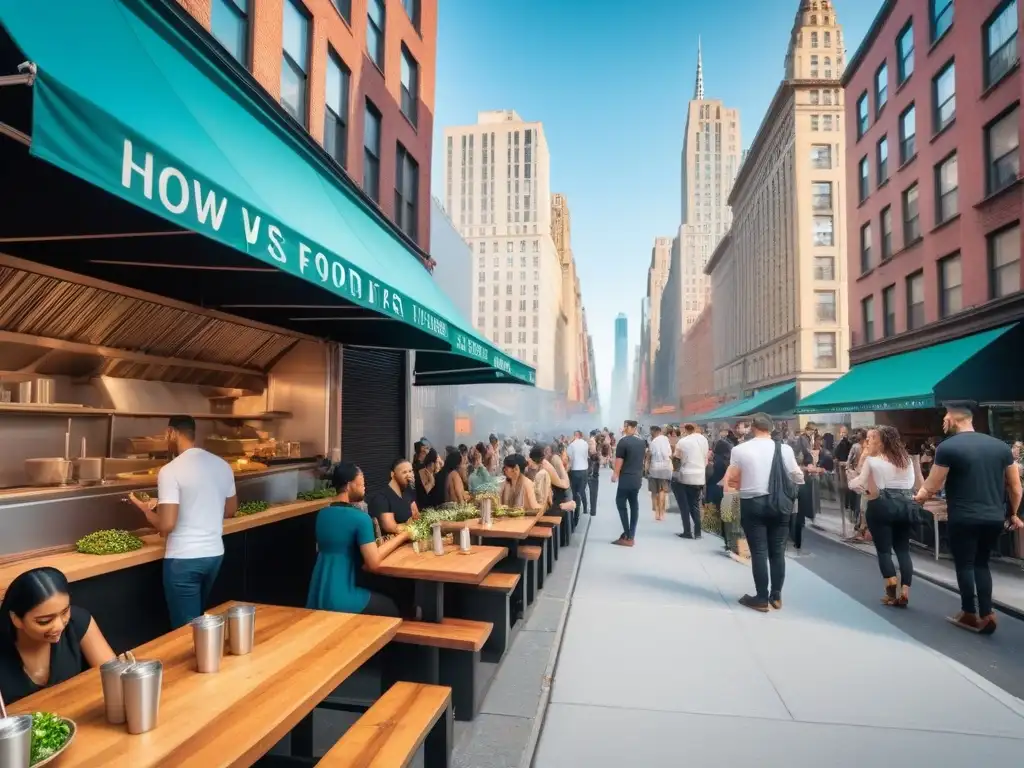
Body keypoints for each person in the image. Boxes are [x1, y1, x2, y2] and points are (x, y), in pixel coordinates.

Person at [915, 404, 1023, 634]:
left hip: (963, 516)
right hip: (993, 517)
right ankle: (988, 612)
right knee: (982, 563)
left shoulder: (947, 447)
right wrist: (1013, 513)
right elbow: (1015, 487)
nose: (944, 422)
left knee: (965, 563)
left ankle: (969, 613)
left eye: (945, 417)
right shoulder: (1000, 447)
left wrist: (920, 498)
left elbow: (933, 484)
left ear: (954, 419)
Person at [129, 415, 237, 629]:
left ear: (172, 433)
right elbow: (231, 510)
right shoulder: (222, 465)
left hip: (184, 559)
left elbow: (166, 525)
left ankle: (198, 661)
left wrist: (144, 510)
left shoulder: (170, 470)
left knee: (184, 630)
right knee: (199, 623)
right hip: (214, 555)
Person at [307, 462, 413, 618]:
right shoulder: (360, 518)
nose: (365, 487)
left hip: (318, 593)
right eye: (362, 483)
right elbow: (373, 563)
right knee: (393, 608)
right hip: (343, 597)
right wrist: (403, 536)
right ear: (349, 485)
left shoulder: (322, 514)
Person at [723, 413, 804, 612]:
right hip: (780, 505)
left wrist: (729, 507)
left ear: (753, 427)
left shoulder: (740, 450)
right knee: (777, 552)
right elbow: (798, 477)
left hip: (753, 503)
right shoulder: (784, 449)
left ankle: (760, 597)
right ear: (771, 428)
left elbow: (731, 480)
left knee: (759, 552)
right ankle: (776, 596)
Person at [0, 567, 117, 703]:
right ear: (16, 619)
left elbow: (115, 675)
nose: (59, 626)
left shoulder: (77, 621)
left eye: (65, 612)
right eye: (45, 621)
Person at [850, 427, 917, 607]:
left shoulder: (873, 461)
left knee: (884, 550)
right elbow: (913, 483)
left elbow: (860, 482)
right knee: (903, 550)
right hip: (906, 505)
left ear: (881, 442)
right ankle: (905, 590)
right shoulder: (907, 460)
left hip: (881, 504)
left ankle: (890, 587)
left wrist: (851, 481)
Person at [611, 420, 646, 546]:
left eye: (626, 426)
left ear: (632, 427)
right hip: (637, 477)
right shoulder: (642, 442)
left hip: (626, 477)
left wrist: (615, 474)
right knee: (634, 504)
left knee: (620, 502)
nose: (624, 428)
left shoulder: (623, 442)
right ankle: (631, 533)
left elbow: (619, 460)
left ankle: (627, 535)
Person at [672, 423, 709, 540]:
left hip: (685, 476)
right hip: (700, 477)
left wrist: (674, 472)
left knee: (684, 505)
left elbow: (676, 460)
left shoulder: (682, 442)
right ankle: (698, 532)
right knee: (695, 505)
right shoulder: (704, 440)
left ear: (686, 430)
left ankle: (687, 531)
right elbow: (705, 457)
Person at [367, 458, 419, 535]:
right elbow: (391, 527)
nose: (409, 475)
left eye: (410, 471)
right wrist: (412, 526)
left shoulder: (407, 493)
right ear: (392, 474)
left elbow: (417, 517)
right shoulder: (381, 498)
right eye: (404, 472)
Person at [647, 426, 673, 522]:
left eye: (651, 432)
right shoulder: (666, 440)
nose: (651, 434)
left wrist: (646, 467)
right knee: (662, 491)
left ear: (655, 431)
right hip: (665, 468)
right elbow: (670, 454)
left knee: (654, 492)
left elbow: (650, 455)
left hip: (654, 469)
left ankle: (657, 512)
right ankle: (662, 513)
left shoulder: (652, 442)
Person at [566, 430, 590, 517]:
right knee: (582, 490)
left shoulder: (571, 445)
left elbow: (570, 458)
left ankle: (576, 510)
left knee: (575, 491)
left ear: (575, 435)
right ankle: (585, 509)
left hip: (575, 470)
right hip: (584, 470)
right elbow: (586, 455)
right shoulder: (585, 444)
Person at [587, 431, 602, 515]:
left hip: (592, 469)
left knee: (592, 490)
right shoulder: (595, 441)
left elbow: (592, 452)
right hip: (594, 469)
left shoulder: (592, 440)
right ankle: (593, 511)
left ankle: (591, 510)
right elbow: (594, 453)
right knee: (594, 490)